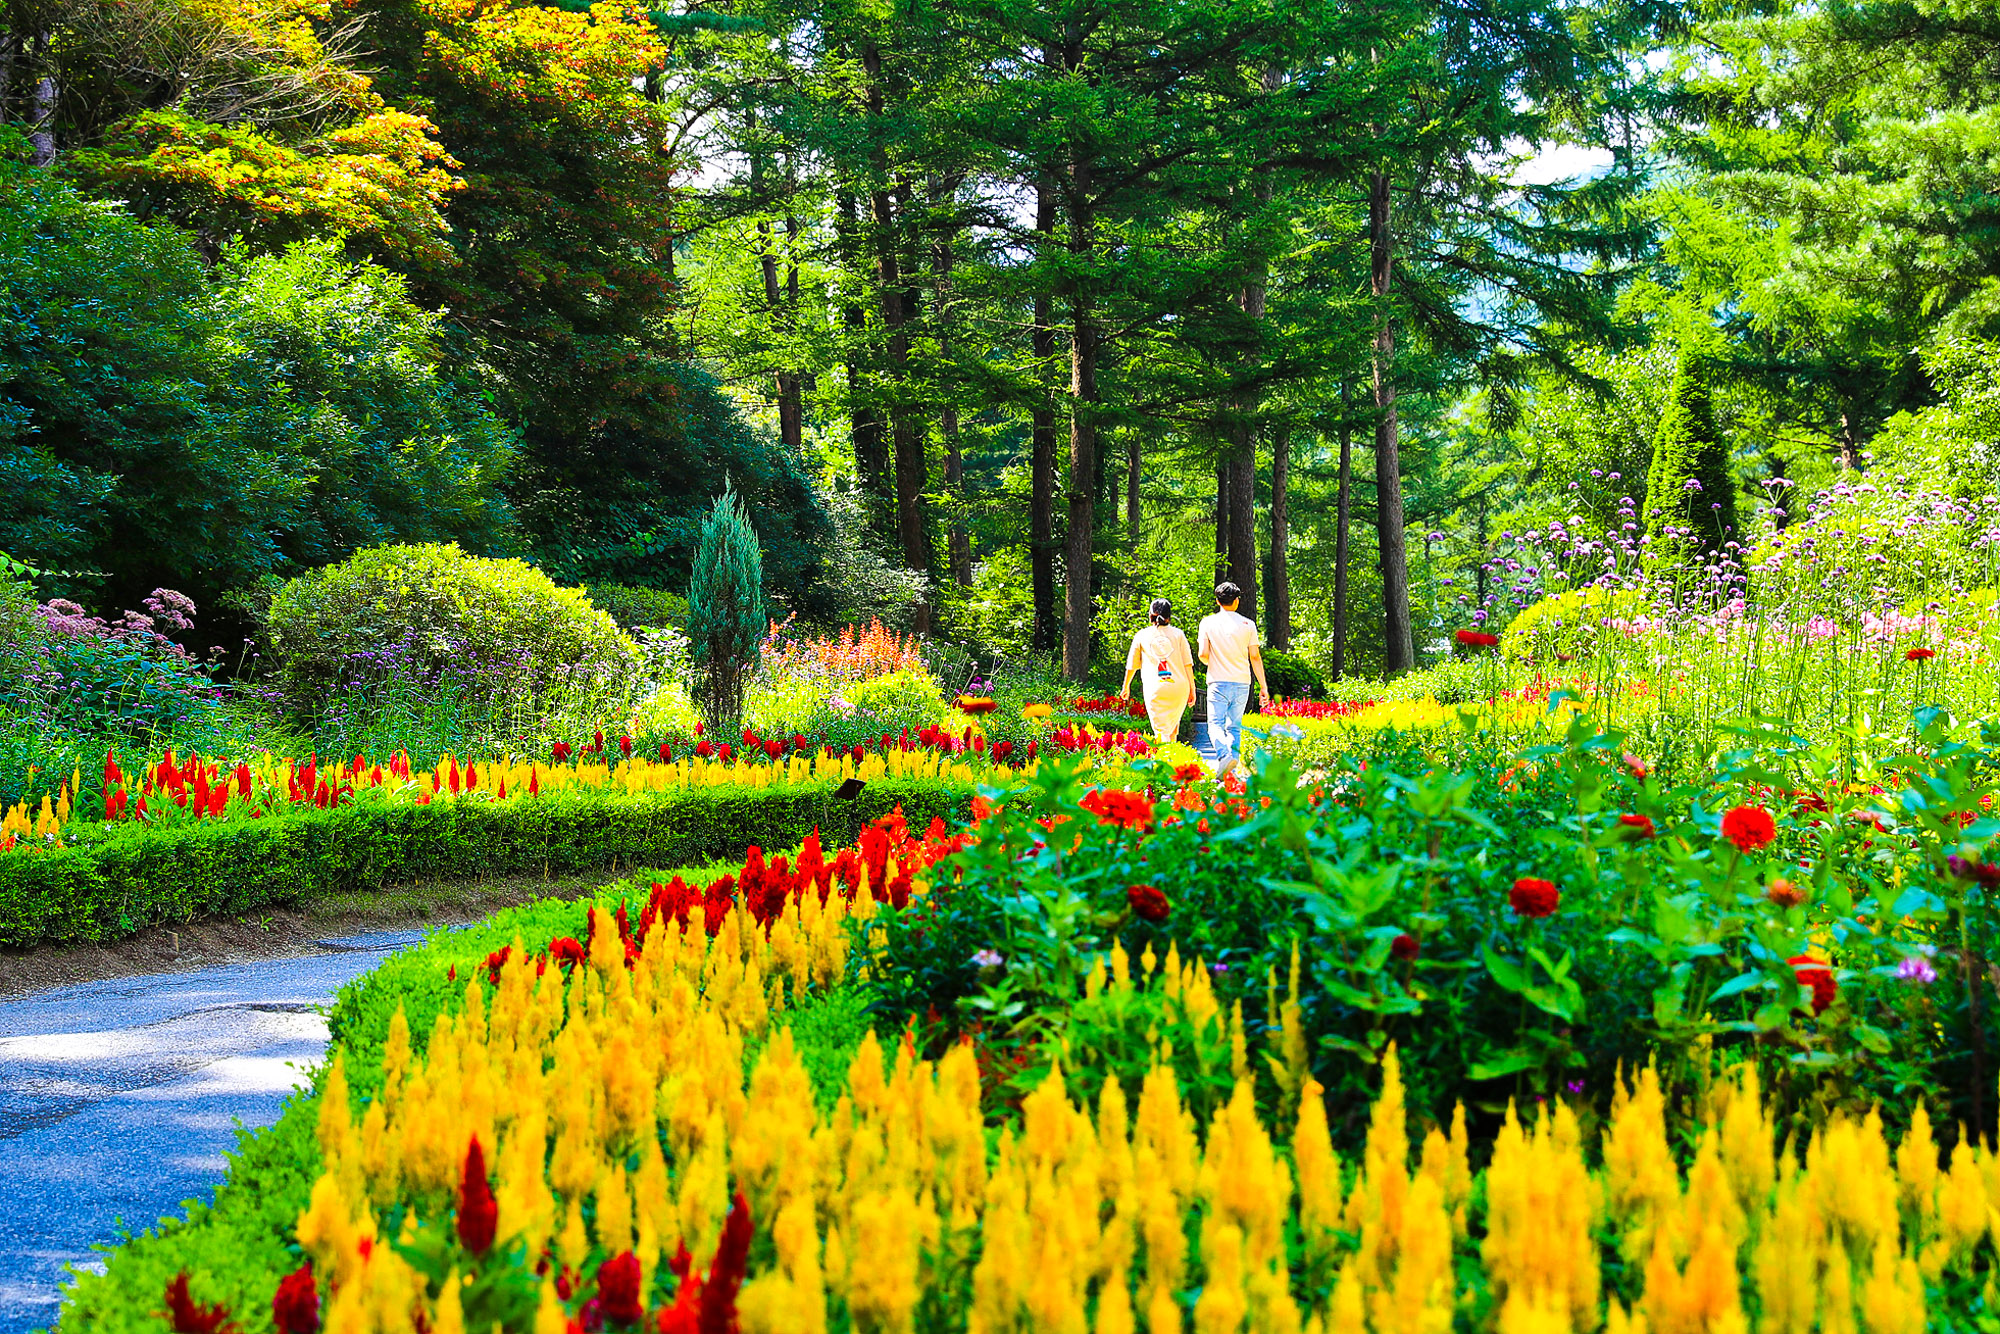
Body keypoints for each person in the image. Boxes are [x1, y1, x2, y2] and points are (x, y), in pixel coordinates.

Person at [1197, 581, 1269, 776]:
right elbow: (1255, 657)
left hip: (1217, 681)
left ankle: (1223, 756)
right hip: (1242, 682)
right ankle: (1231, 771)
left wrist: (1212, 661)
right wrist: (1263, 686)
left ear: (1217, 601)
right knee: (1234, 727)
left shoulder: (1208, 623)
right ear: (1236, 601)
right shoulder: (1248, 624)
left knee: (1215, 724)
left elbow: (1203, 654)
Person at [1121, 598, 1195, 745]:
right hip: (1179, 688)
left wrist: (1126, 686)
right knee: (1173, 727)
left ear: (1151, 614)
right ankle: (1174, 760)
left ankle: (1163, 762)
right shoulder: (1179, 634)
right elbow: (1188, 664)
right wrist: (1192, 689)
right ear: (1169, 615)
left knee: (1160, 732)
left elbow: (1132, 665)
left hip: (1155, 688)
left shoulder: (1142, 635)